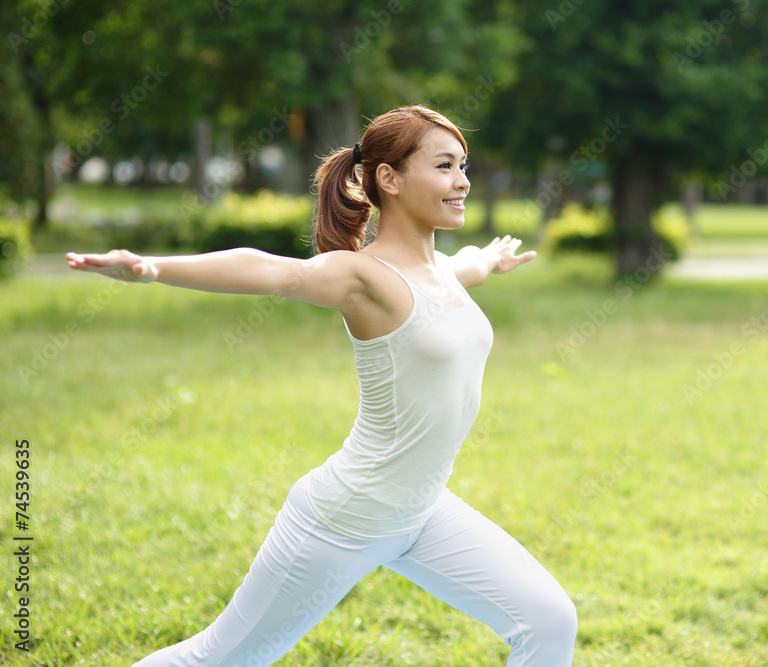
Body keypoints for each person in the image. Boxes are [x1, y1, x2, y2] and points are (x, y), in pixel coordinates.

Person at [66, 105, 577, 666]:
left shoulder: (444, 273)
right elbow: (273, 271)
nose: (463, 181)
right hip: (346, 516)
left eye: (463, 165)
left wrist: (491, 257)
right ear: (390, 179)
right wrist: (153, 267)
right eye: (445, 166)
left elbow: (468, 265)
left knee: (549, 621)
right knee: (219, 659)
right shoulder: (363, 276)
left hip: (424, 511)